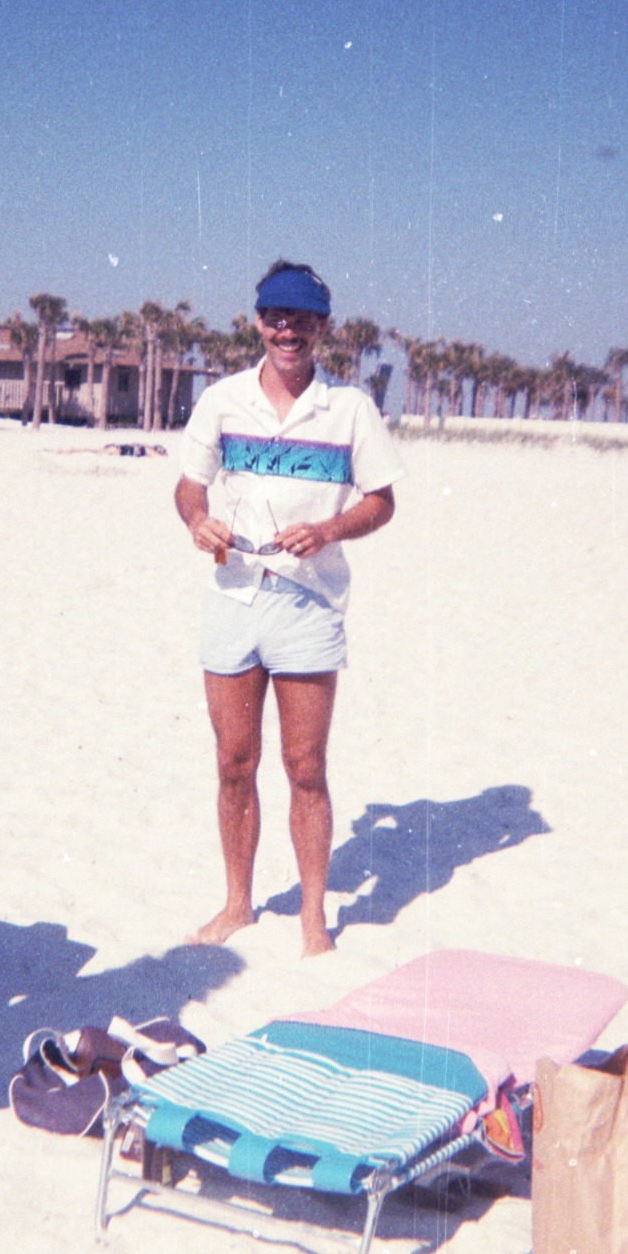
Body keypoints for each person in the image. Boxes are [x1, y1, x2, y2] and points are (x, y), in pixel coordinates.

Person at [175, 261, 404, 956]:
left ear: (322, 328)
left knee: (305, 766)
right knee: (233, 762)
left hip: (309, 604)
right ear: (258, 323)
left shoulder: (351, 408)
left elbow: (382, 501)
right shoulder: (223, 399)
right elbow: (189, 486)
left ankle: (312, 917)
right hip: (234, 597)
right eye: (276, 318)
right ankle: (237, 904)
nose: (287, 331)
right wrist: (198, 522)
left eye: (301, 320)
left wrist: (329, 530)